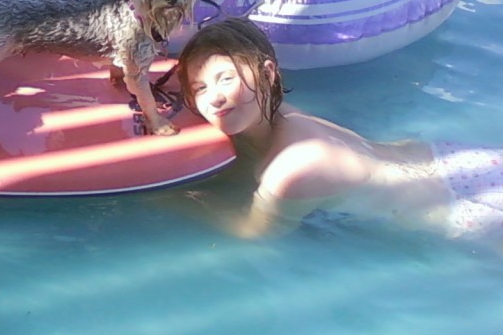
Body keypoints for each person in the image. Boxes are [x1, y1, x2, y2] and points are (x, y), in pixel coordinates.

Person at [175, 17, 503, 248]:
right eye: (200, 87)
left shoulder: (292, 171)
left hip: (466, 212)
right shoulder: (283, 114)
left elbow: (256, 234)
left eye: (226, 79)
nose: (213, 97)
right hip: (453, 161)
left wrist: (175, 201)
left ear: (268, 73)